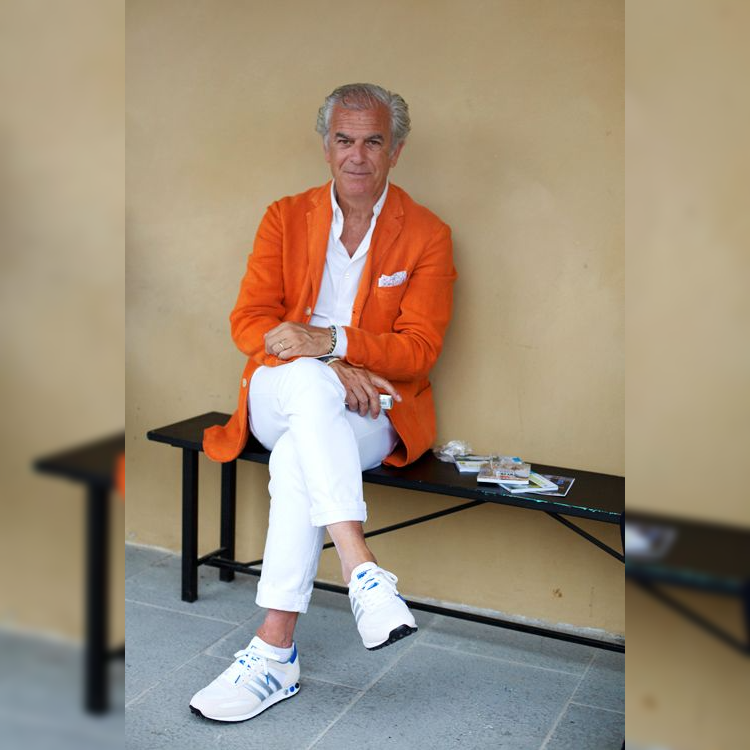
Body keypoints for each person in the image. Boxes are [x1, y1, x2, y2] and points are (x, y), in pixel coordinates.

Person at [190, 83, 456, 722]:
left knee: (295, 462)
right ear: (326, 145)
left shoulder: (427, 234)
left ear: (396, 150)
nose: (357, 155)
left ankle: (274, 653)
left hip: (373, 408)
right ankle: (362, 568)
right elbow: (249, 321)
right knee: (311, 386)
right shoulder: (285, 217)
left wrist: (333, 339)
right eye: (344, 140)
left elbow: (419, 351)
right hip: (283, 389)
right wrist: (327, 361)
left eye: (373, 141)